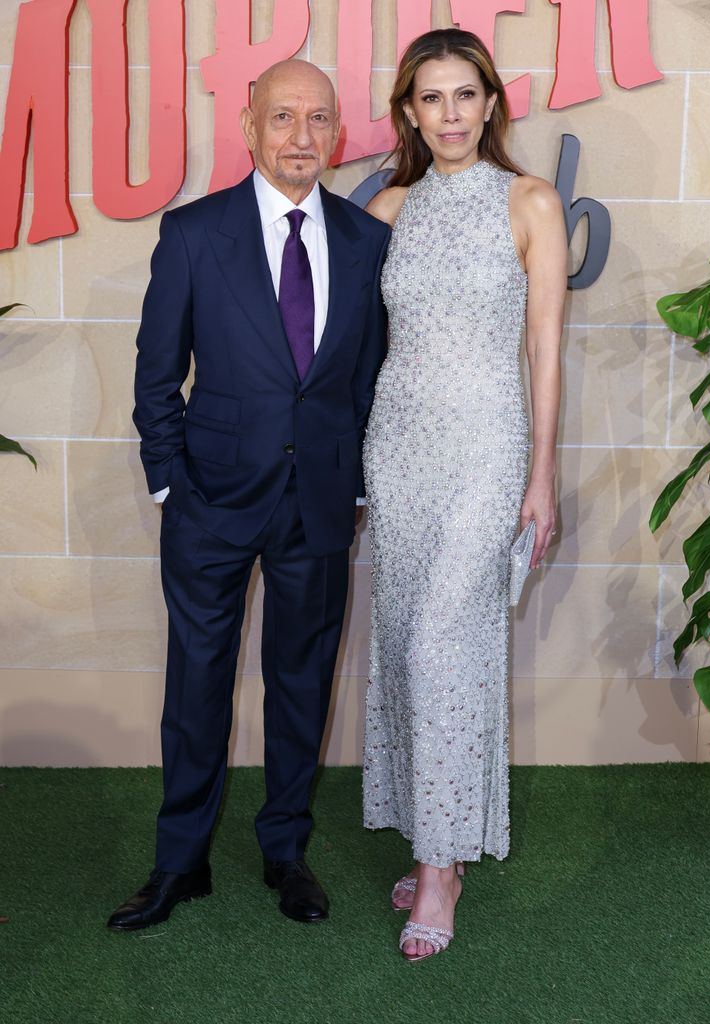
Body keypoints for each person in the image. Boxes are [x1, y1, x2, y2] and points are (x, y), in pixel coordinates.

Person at [107, 59, 390, 931]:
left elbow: (368, 377)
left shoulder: (364, 240)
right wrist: (170, 488)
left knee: (301, 684)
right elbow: (157, 377)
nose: (300, 138)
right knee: (196, 686)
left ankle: (285, 853)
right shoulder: (193, 234)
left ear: (337, 133)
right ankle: (178, 863)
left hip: (320, 508)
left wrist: (355, 491)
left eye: (317, 120)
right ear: (248, 125)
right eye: (282, 118)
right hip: (210, 505)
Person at [362, 28, 566, 961]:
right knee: (407, 644)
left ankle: (442, 871)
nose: (448, 114)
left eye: (463, 96)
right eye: (429, 99)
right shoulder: (390, 205)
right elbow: (356, 345)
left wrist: (542, 471)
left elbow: (545, 349)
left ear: (490, 103)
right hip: (397, 450)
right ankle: (429, 832)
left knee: (448, 641)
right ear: (408, 112)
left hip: (487, 449)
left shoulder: (530, 202)